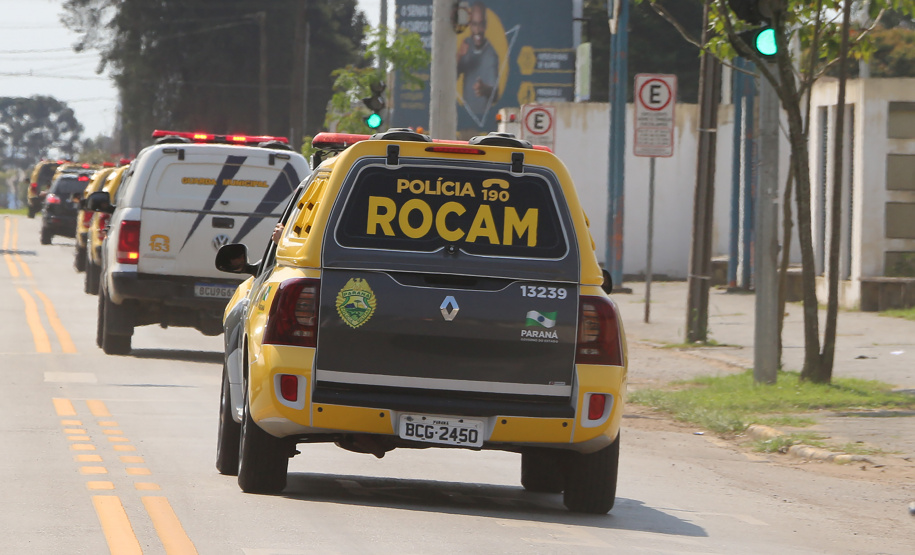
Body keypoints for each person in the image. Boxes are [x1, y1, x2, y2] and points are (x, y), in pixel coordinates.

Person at [457, 2, 500, 117]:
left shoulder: (491, 55)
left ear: (485, 26)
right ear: (470, 25)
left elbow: (495, 94)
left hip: (482, 115)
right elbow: (449, 78)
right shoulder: (466, 45)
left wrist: (484, 89)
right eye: (475, 24)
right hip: (463, 114)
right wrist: (459, 56)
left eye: (481, 24)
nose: (478, 30)